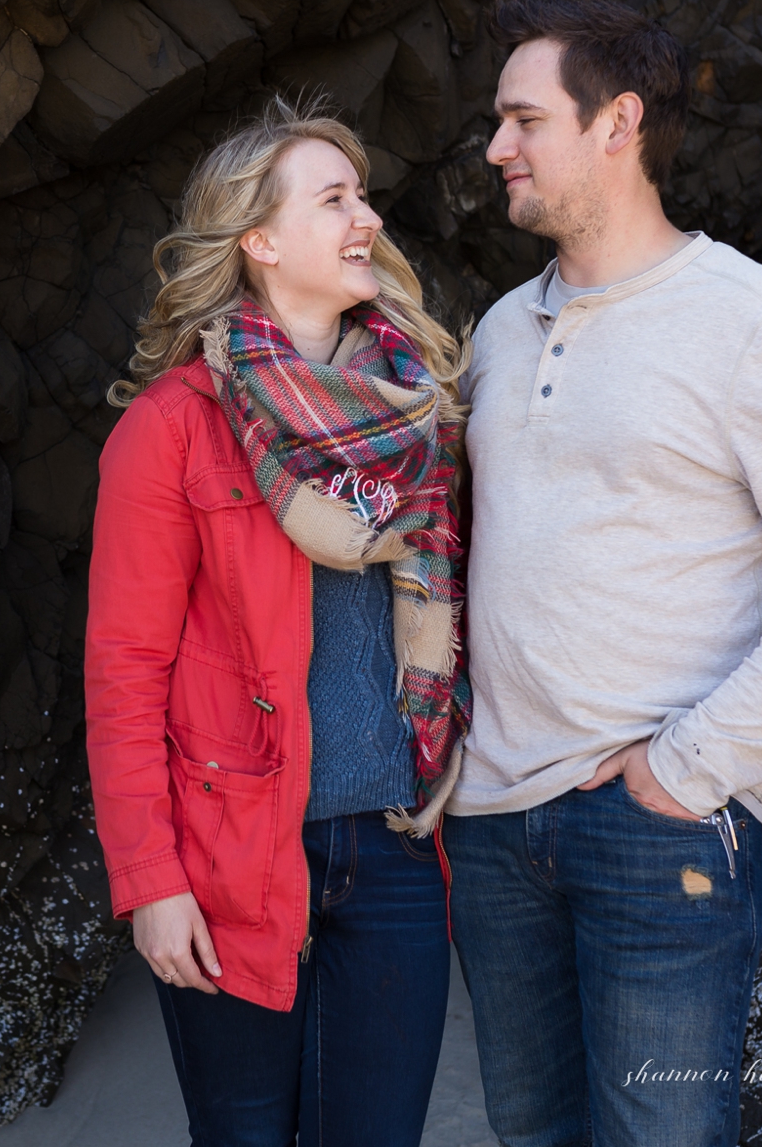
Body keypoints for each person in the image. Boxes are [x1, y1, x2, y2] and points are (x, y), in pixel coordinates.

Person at [445, 0, 762, 1146]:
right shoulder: (500, 329)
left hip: (656, 828)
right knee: (530, 1136)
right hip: (494, 823)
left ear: (617, 123)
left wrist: (694, 762)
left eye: (521, 120)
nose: (495, 148)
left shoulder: (755, 322)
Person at [83, 97, 472, 1147]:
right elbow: (122, 672)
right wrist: (149, 882)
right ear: (258, 240)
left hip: (395, 848)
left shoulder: (420, 408)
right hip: (230, 855)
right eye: (335, 199)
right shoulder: (170, 429)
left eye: (365, 198)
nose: (369, 221)